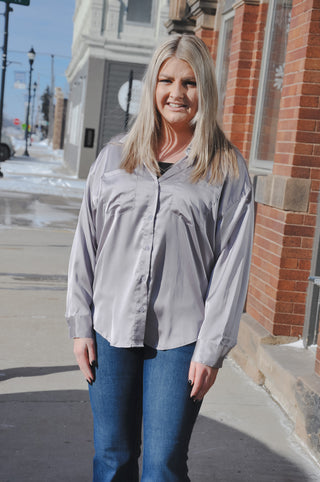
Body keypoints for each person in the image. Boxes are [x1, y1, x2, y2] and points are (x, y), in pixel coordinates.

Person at [66, 33, 254, 481]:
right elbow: (85, 245)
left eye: (189, 83)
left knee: (162, 465)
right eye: (167, 80)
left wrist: (212, 349)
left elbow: (232, 264)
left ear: (204, 89)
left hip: (181, 338)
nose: (177, 93)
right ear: (152, 86)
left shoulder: (226, 169)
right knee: (112, 457)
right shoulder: (114, 159)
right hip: (109, 330)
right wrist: (80, 325)